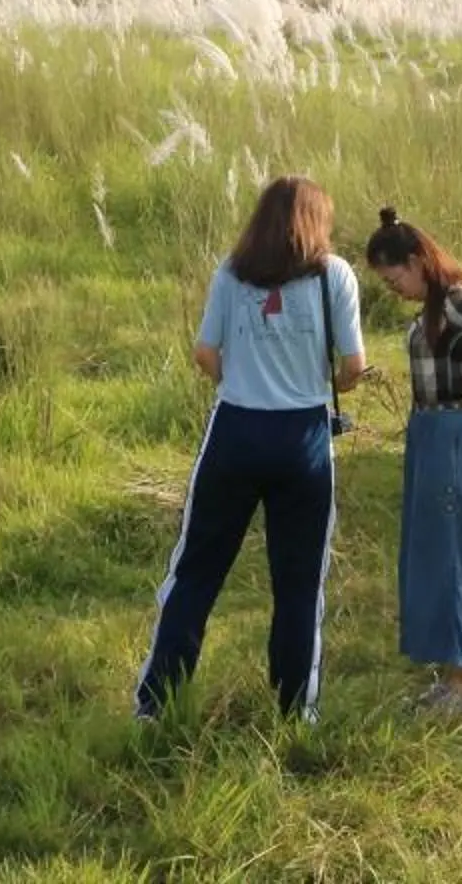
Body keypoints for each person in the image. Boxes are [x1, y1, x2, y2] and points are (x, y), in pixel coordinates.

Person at [135, 175, 366, 721]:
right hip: (304, 437)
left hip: (235, 429)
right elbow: (352, 368)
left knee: (195, 572)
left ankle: (156, 705)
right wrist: (317, 379)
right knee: (299, 582)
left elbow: (204, 353)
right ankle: (294, 712)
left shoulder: (232, 272)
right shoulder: (334, 275)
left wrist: (240, 378)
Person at [362, 207, 462, 717]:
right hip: (430, 433)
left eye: (395, 280)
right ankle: (454, 677)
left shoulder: (456, 299)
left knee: (460, 556)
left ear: (415, 260)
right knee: (435, 553)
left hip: (456, 433)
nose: (396, 291)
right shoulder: (435, 305)